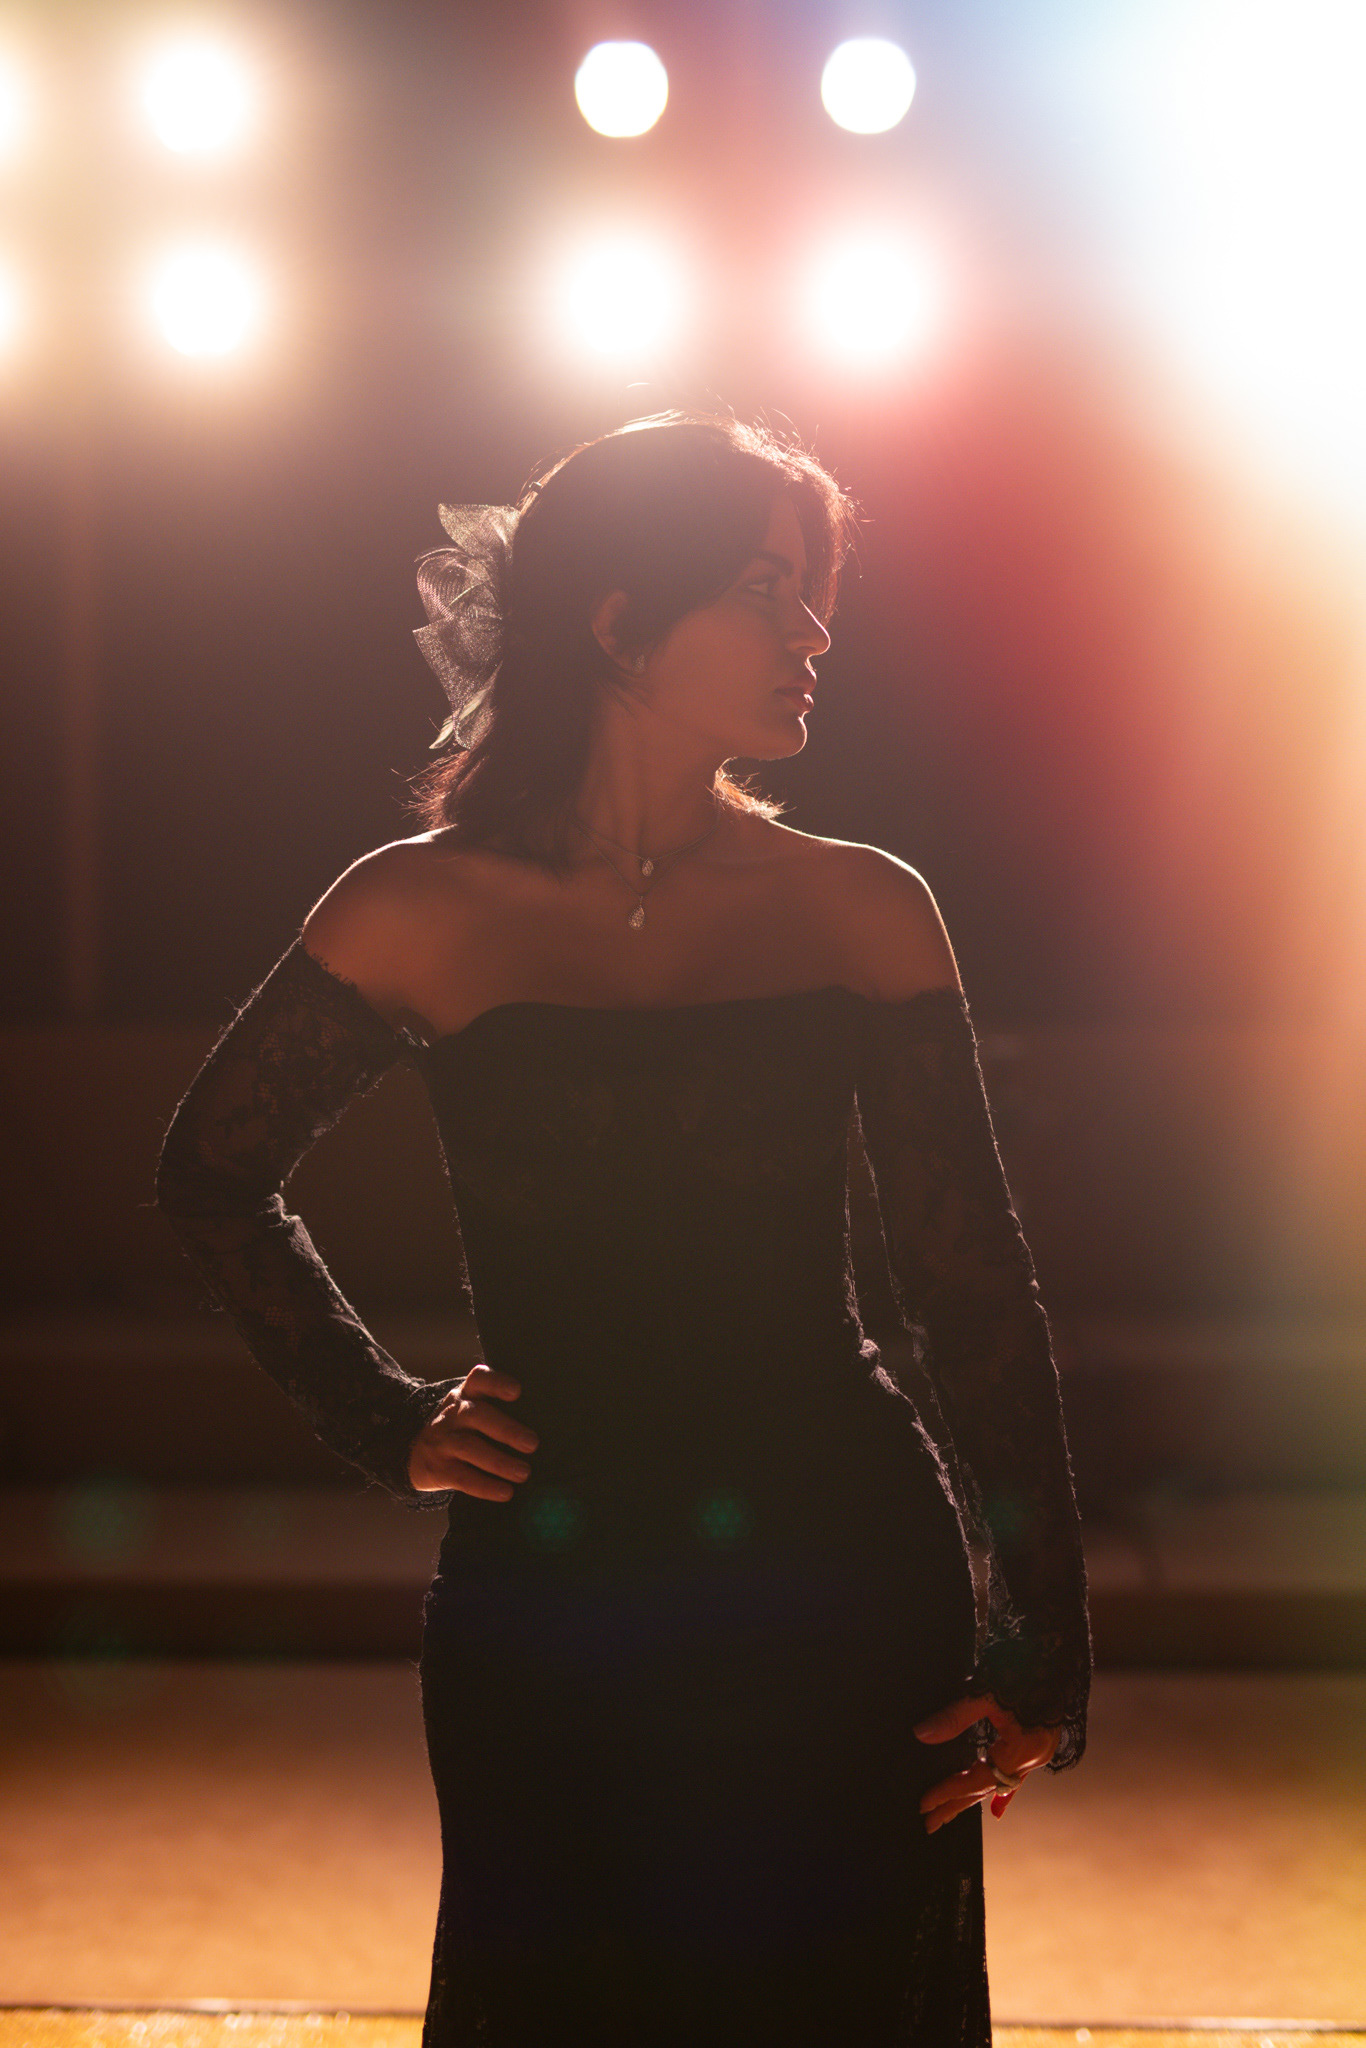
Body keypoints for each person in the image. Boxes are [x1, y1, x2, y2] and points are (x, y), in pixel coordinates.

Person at [155, 410, 1091, 2047]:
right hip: (550, 1585)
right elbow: (210, 1177)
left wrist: (1040, 1631)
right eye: (763, 587)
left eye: (814, 590)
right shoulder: (413, 906)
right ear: (615, 620)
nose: (813, 631)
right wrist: (383, 1418)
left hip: (840, 1571)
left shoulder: (865, 906)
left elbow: (972, 1292)